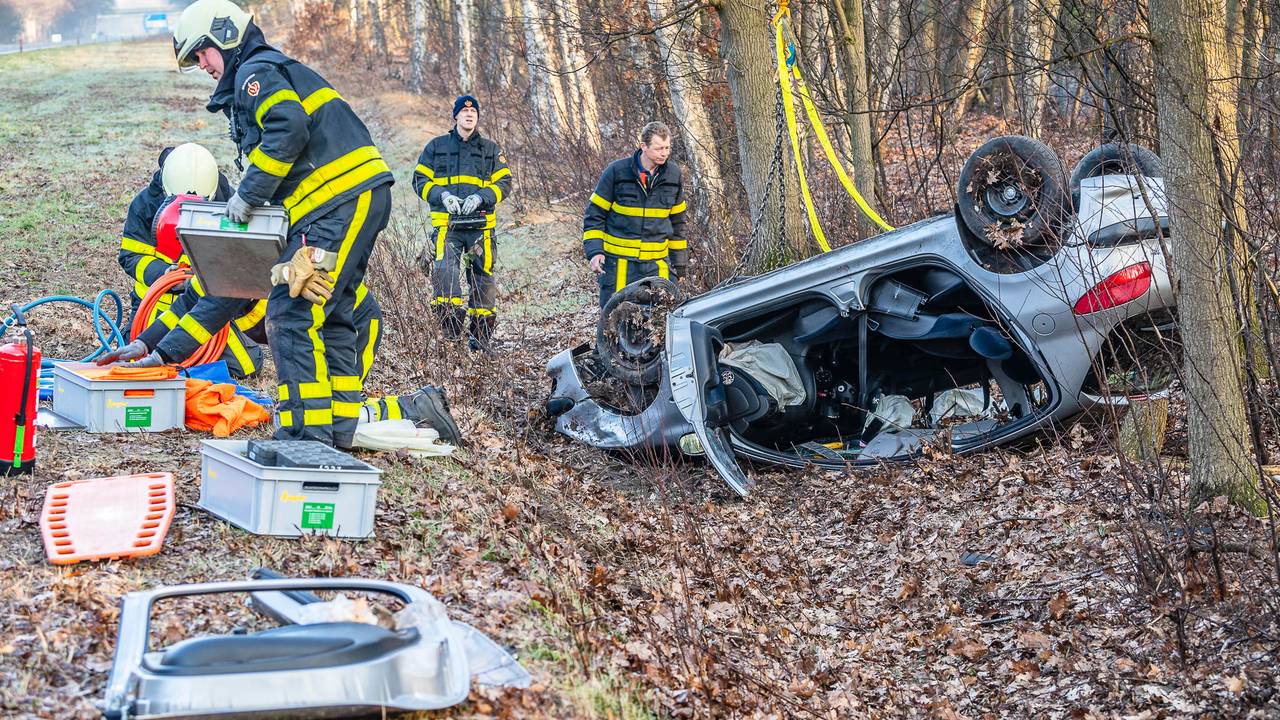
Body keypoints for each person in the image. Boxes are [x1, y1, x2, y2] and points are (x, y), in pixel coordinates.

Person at [173, 0, 395, 448]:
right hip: (347, 198)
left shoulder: (256, 74)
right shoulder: (267, 70)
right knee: (329, 314)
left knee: (291, 313)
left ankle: (302, 437)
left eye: (203, 53)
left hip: (336, 200)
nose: (203, 66)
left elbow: (287, 127)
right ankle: (334, 432)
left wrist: (248, 194)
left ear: (225, 36)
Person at [411, 95, 512, 352]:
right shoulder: (436, 147)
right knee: (445, 280)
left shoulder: (490, 149)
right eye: (464, 112)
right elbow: (419, 181)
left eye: (474, 112)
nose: (469, 115)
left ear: (477, 117)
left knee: (484, 282)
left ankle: (480, 342)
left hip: (481, 229)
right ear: (455, 116)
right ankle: (452, 341)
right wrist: (442, 196)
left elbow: (505, 183)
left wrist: (481, 197)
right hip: (448, 228)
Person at [119, 143, 230, 324]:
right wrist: (164, 274)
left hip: (206, 306)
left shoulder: (227, 204)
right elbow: (130, 256)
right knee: (138, 350)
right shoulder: (145, 205)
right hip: (153, 305)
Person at [583, 122, 689, 308]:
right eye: (658, 148)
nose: (664, 153)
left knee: (660, 320)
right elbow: (594, 215)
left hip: (657, 267)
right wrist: (595, 251)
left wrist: (679, 266)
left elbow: (678, 225)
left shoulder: (674, 175)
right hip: (619, 266)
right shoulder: (617, 172)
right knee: (613, 322)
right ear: (644, 147)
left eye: (667, 148)